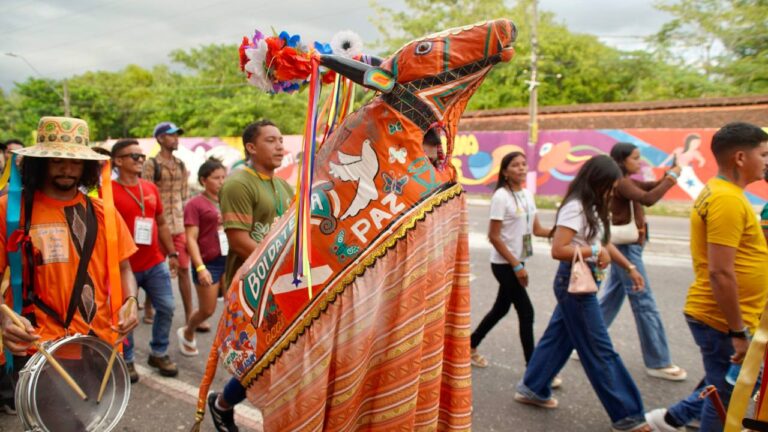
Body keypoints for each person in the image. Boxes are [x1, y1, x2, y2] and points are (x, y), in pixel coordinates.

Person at [0, 117, 139, 415]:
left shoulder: (104, 213)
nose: (67, 168)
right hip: (39, 346)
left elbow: (125, 268)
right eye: (57, 160)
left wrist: (132, 301)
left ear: (86, 166)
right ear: (40, 163)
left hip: (100, 343)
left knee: (94, 420)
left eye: (75, 162)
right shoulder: (10, 211)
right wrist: (4, 318)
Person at [645, 122, 768, 432]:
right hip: (721, 319)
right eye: (764, 154)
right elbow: (720, 271)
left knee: (724, 386)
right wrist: (737, 331)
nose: (767, 161)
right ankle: (673, 419)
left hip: (726, 318)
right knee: (725, 398)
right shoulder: (727, 199)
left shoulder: (727, 193)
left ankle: (671, 419)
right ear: (740, 157)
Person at [514, 155, 650, 432]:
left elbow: (604, 243)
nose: (612, 192)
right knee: (599, 349)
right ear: (596, 181)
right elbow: (558, 249)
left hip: (583, 280)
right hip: (573, 283)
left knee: (559, 337)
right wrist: (595, 252)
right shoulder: (575, 207)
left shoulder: (593, 206)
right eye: (609, 186)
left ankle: (532, 388)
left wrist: (630, 267)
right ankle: (628, 416)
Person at [207, 119, 293, 432]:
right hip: (250, 286)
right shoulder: (238, 183)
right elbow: (239, 241)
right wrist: (280, 265)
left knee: (278, 356)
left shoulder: (283, 186)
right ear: (251, 148)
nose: (280, 146)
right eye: (271, 140)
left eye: (281, 139)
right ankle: (222, 404)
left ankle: (225, 403)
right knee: (257, 360)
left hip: (280, 284)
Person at [599, 142, 687, 381]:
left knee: (611, 297)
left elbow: (649, 187)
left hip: (627, 246)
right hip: (626, 248)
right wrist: (671, 177)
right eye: (635, 158)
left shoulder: (626, 181)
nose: (639, 162)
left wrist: (669, 174)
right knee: (644, 301)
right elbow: (649, 198)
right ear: (621, 160)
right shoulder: (621, 182)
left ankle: (584, 340)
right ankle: (657, 361)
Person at [469, 152, 552, 372]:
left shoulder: (527, 195)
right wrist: (516, 266)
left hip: (519, 261)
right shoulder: (501, 197)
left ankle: (470, 344)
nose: (522, 168)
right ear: (505, 172)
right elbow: (494, 236)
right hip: (505, 265)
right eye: (515, 165)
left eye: (524, 164)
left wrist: (564, 232)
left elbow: (537, 229)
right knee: (527, 312)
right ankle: (533, 371)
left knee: (500, 309)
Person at [112, 138, 180, 380]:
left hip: (154, 262)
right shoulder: (107, 192)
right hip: (123, 266)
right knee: (126, 314)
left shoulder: (150, 189)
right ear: (118, 161)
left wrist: (171, 253)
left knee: (168, 307)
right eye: (134, 156)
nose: (141, 159)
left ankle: (158, 352)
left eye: (142, 156)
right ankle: (127, 359)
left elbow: (161, 223)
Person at [143, 122, 196, 330]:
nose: (176, 139)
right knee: (154, 269)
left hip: (179, 224)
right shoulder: (151, 165)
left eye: (177, 135)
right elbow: (146, 194)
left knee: (184, 268)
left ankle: (190, 315)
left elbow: (184, 196)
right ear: (160, 139)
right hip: (158, 224)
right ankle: (148, 305)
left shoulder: (181, 165)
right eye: (171, 135)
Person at [178, 158, 227, 356]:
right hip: (208, 262)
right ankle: (188, 331)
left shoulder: (228, 199)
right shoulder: (194, 204)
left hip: (229, 259)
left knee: (234, 306)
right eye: (216, 178)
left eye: (224, 177)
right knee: (207, 310)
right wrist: (200, 268)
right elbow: (190, 239)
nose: (221, 181)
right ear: (203, 180)